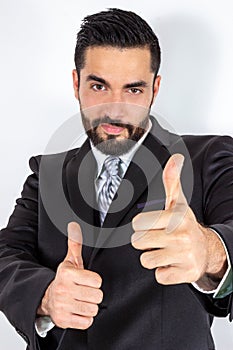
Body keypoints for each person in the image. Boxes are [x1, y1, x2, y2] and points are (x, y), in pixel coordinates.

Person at [0, 8, 233, 350]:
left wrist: (212, 253)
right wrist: (46, 296)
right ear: (76, 83)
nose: (114, 108)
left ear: (155, 88)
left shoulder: (208, 158)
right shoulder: (46, 173)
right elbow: (6, 253)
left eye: (133, 90)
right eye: (99, 86)